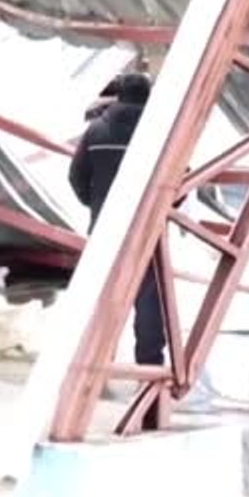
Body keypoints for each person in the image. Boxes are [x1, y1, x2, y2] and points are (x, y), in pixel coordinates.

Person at [68, 72, 166, 368]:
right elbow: (180, 177)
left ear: (119, 96)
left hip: (105, 228)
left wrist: (96, 204)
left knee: (103, 295)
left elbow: (76, 176)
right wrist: (165, 207)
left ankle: (98, 360)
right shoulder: (159, 132)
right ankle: (148, 364)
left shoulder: (96, 130)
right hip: (145, 227)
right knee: (148, 298)